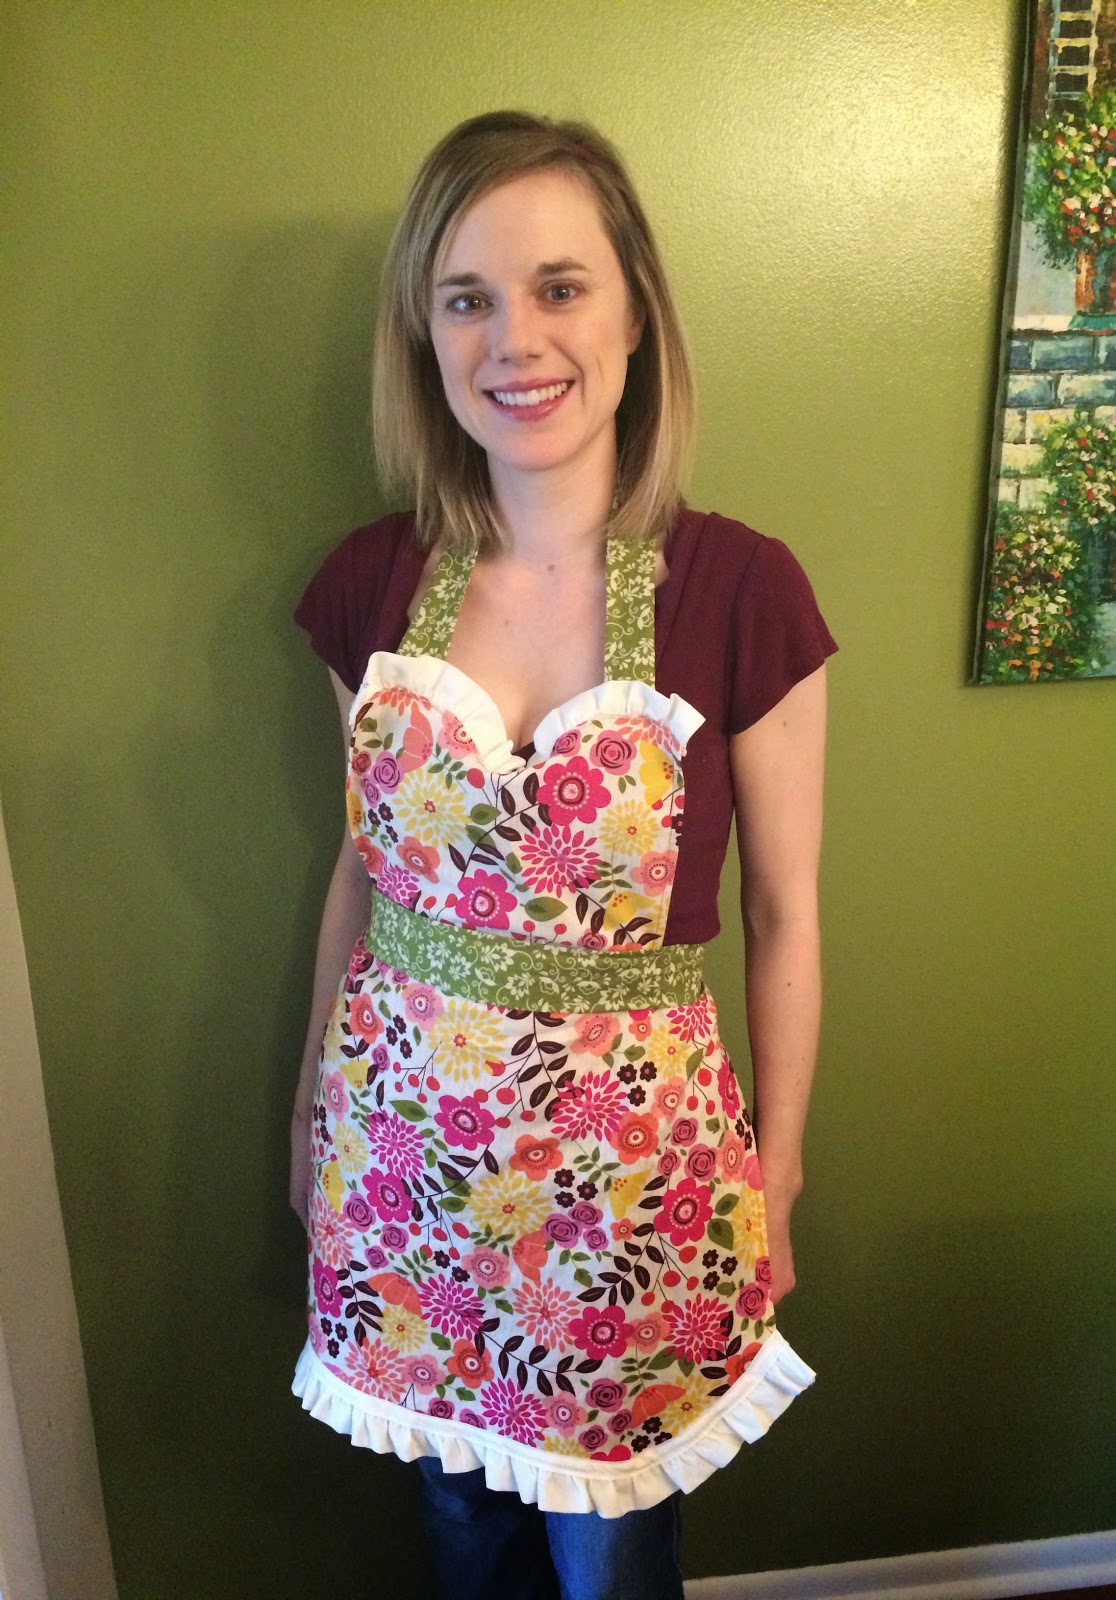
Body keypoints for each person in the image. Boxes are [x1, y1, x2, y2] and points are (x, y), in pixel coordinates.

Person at [289, 110, 836, 1600]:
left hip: (630, 1202)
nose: (514, 340)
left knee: (612, 1556)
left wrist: (777, 1177)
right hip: (405, 1173)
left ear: (635, 311)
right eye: (467, 298)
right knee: (463, 1538)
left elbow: (785, 916)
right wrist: (308, 1119)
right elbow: (365, 871)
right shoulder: (373, 583)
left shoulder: (742, 590)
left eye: (559, 287)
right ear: (425, 335)